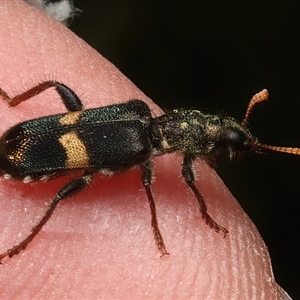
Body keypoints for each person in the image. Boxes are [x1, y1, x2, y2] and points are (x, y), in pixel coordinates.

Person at [0, 1, 291, 299]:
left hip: (24, 139)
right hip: (24, 158)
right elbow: (176, 180)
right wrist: (161, 225)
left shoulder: (138, 112)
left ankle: (11, 102)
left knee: (56, 86)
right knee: (63, 195)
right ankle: (24, 241)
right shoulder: (139, 146)